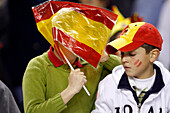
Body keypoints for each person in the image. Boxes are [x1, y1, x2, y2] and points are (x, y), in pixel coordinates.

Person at [22, 2, 121, 113]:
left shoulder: (92, 64)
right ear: (56, 36)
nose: (78, 41)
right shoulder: (38, 66)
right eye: (71, 35)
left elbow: (130, 72)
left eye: (82, 35)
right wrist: (70, 91)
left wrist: (106, 58)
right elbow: (32, 111)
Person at [91, 22, 170, 112]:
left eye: (132, 54)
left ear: (153, 55)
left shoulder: (168, 86)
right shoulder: (109, 83)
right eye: (122, 54)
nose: (124, 59)